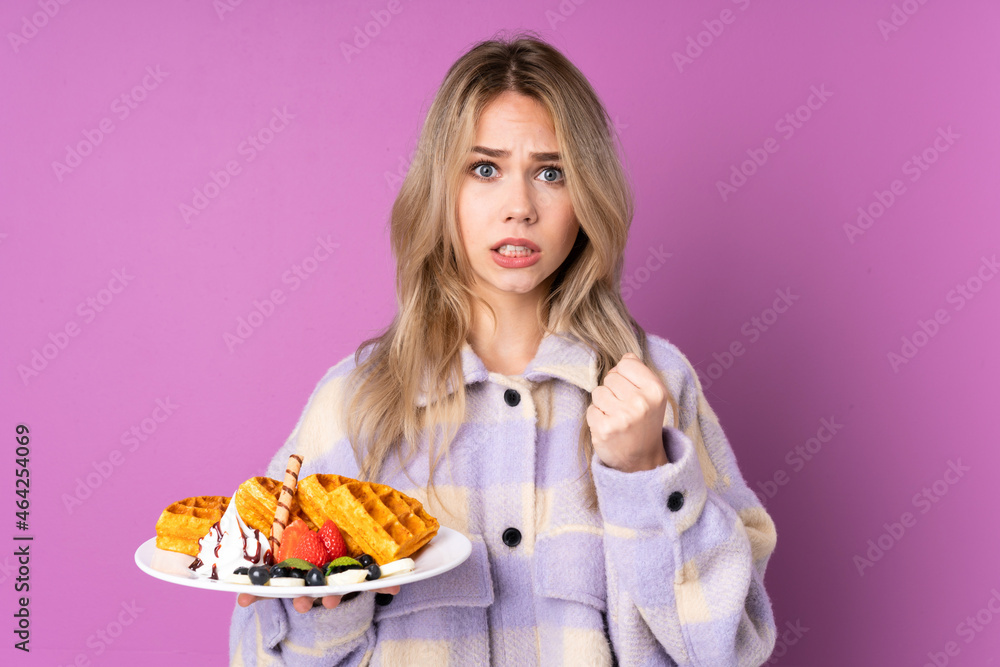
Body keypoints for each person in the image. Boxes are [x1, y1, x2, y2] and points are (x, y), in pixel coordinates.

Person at [229, 30, 778, 667]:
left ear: (586, 197)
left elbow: (727, 649)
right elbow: (265, 654)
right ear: (442, 189)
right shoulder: (356, 404)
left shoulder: (656, 387)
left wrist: (644, 476)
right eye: (484, 169)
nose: (519, 207)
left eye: (551, 173)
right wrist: (328, 609)